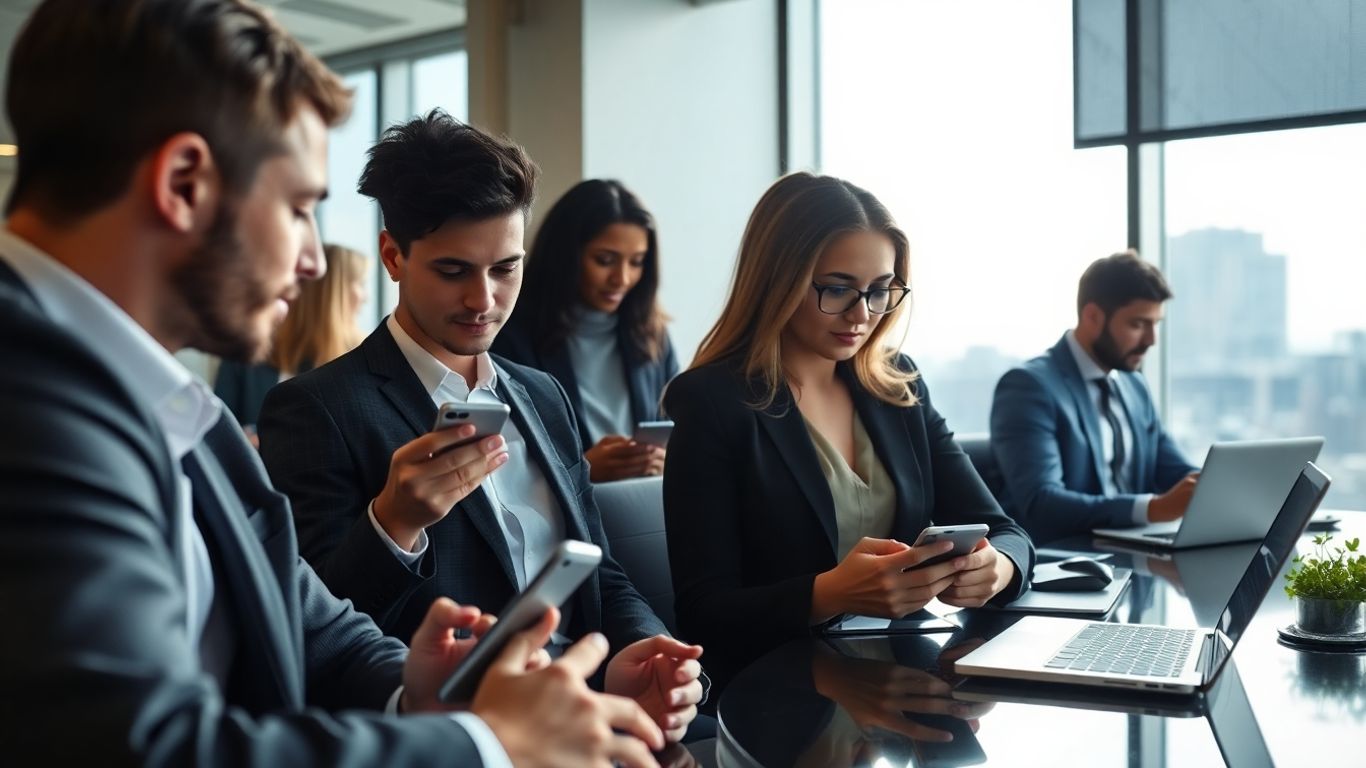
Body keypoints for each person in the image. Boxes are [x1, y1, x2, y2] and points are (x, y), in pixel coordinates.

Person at [0, 1, 667, 765]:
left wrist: (418, 690)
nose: (315, 260)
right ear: (184, 183)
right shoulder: (28, 400)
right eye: (298, 209)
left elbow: (304, 616)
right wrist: (481, 744)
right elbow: (141, 745)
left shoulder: (174, 406)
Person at [257, 111, 705, 745]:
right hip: (467, 731)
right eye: (453, 271)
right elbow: (308, 627)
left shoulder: (542, 395)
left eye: (505, 269)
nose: (483, 300)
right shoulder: (317, 408)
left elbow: (596, 567)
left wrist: (647, 652)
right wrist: (394, 525)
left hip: (588, 706)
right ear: (393, 256)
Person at [662, 173, 1034, 690]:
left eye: (880, 291)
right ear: (778, 279)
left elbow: (1006, 531)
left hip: (901, 674)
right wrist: (829, 593)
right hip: (779, 693)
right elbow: (704, 611)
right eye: (837, 290)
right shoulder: (713, 402)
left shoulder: (897, 388)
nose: (862, 314)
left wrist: (1000, 571)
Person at [989, 250, 1199, 544]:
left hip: (1134, 556)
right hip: (1061, 562)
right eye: (1138, 324)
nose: (1151, 340)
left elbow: (1175, 472)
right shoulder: (1029, 387)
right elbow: (1041, 502)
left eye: (1156, 324)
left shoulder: (1135, 386)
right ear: (1092, 317)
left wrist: (1216, 488)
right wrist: (1153, 509)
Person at [492, 179, 677, 482]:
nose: (623, 278)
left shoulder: (652, 336)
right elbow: (503, 467)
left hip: (643, 511)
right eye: (605, 260)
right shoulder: (511, 337)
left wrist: (664, 460)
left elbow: (675, 431)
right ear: (565, 255)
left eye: (637, 262)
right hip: (564, 521)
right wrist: (581, 471)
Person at [214, 242, 368, 431]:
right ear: (331, 295)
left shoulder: (364, 363)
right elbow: (214, 434)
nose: (365, 297)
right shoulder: (244, 352)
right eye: (360, 284)